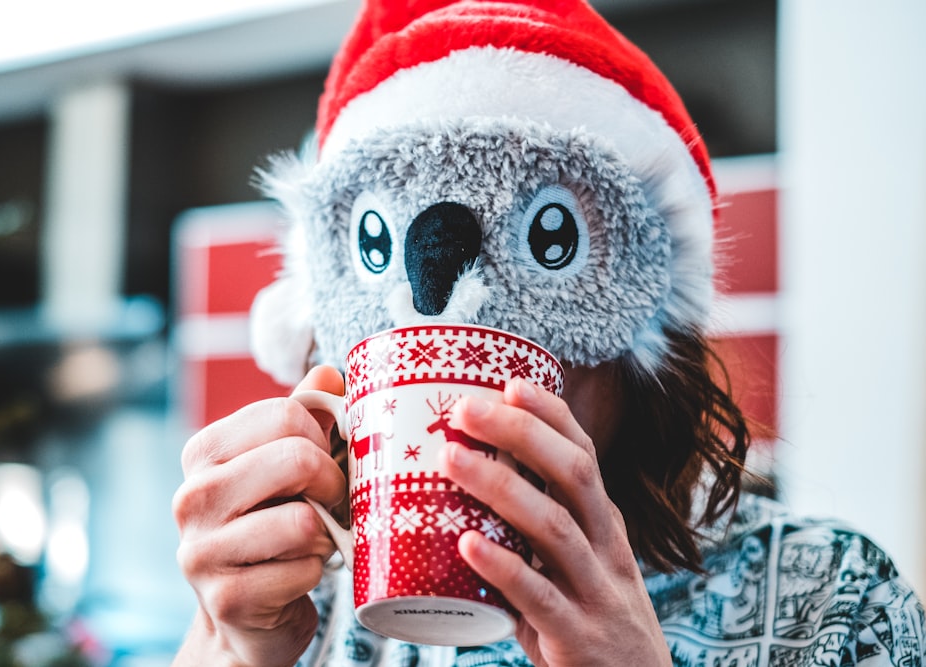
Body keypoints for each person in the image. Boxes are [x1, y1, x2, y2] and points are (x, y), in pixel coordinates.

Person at [171, 1, 926, 665]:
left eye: (544, 251)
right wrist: (222, 650)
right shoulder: (302, 603)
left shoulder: (836, 600)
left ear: (642, 327)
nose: (469, 338)